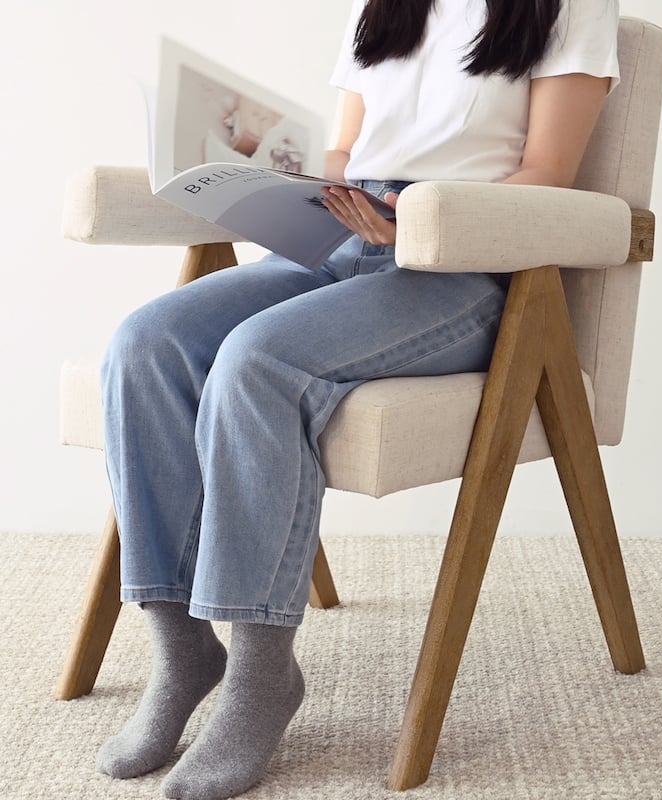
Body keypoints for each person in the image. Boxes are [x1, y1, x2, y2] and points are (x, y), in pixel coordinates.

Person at [95, 0, 620, 798]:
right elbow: (344, 148)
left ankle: (262, 675)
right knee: (146, 342)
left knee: (257, 361)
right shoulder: (382, 5)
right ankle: (183, 650)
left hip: (467, 264)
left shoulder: (569, 7)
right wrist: (277, 176)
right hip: (343, 232)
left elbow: (548, 174)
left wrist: (410, 217)